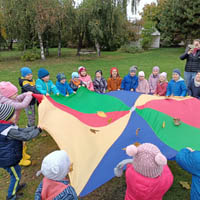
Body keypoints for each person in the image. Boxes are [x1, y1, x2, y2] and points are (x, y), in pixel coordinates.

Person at [0, 104, 42, 200]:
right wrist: (38, 131)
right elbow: (25, 136)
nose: (16, 115)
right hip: (7, 160)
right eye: (13, 115)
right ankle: (11, 196)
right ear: (6, 118)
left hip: (9, 157)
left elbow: (21, 130)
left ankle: (16, 186)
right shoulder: (8, 130)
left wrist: (34, 128)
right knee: (16, 176)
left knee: (16, 172)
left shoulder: (6, 125)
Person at [0, 81, 33, 166]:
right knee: (16, 141)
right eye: (14, 93)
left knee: (20, 140)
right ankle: (20, 159)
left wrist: (25, 94)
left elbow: (17, 98)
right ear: (7, 95)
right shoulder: (5, 101)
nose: (16, 94)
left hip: (12, 122)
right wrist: (28, 96)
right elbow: (22, 105)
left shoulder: (9, 97)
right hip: (7, 126)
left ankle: (23, 154)